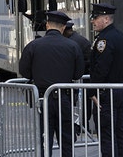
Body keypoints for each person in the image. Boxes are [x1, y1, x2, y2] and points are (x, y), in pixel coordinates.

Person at [19, 11, 84, 157]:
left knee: (43, 138)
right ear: (63, 27)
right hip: (64, 98)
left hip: (42, 99)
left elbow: (24, 71)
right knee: (66, 139)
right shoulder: (73, 46)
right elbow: (78, 74)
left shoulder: (33, 46)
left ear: (48, 25)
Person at [89, 3, 123, 157]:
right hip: (119, 91)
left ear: (106, 19)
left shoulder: (103, 41)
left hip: (105, 94)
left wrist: (92, 92)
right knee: (119, 133)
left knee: (107, 134)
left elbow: (101, 70)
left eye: (96, 18)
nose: (93, 21)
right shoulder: (122, 37)